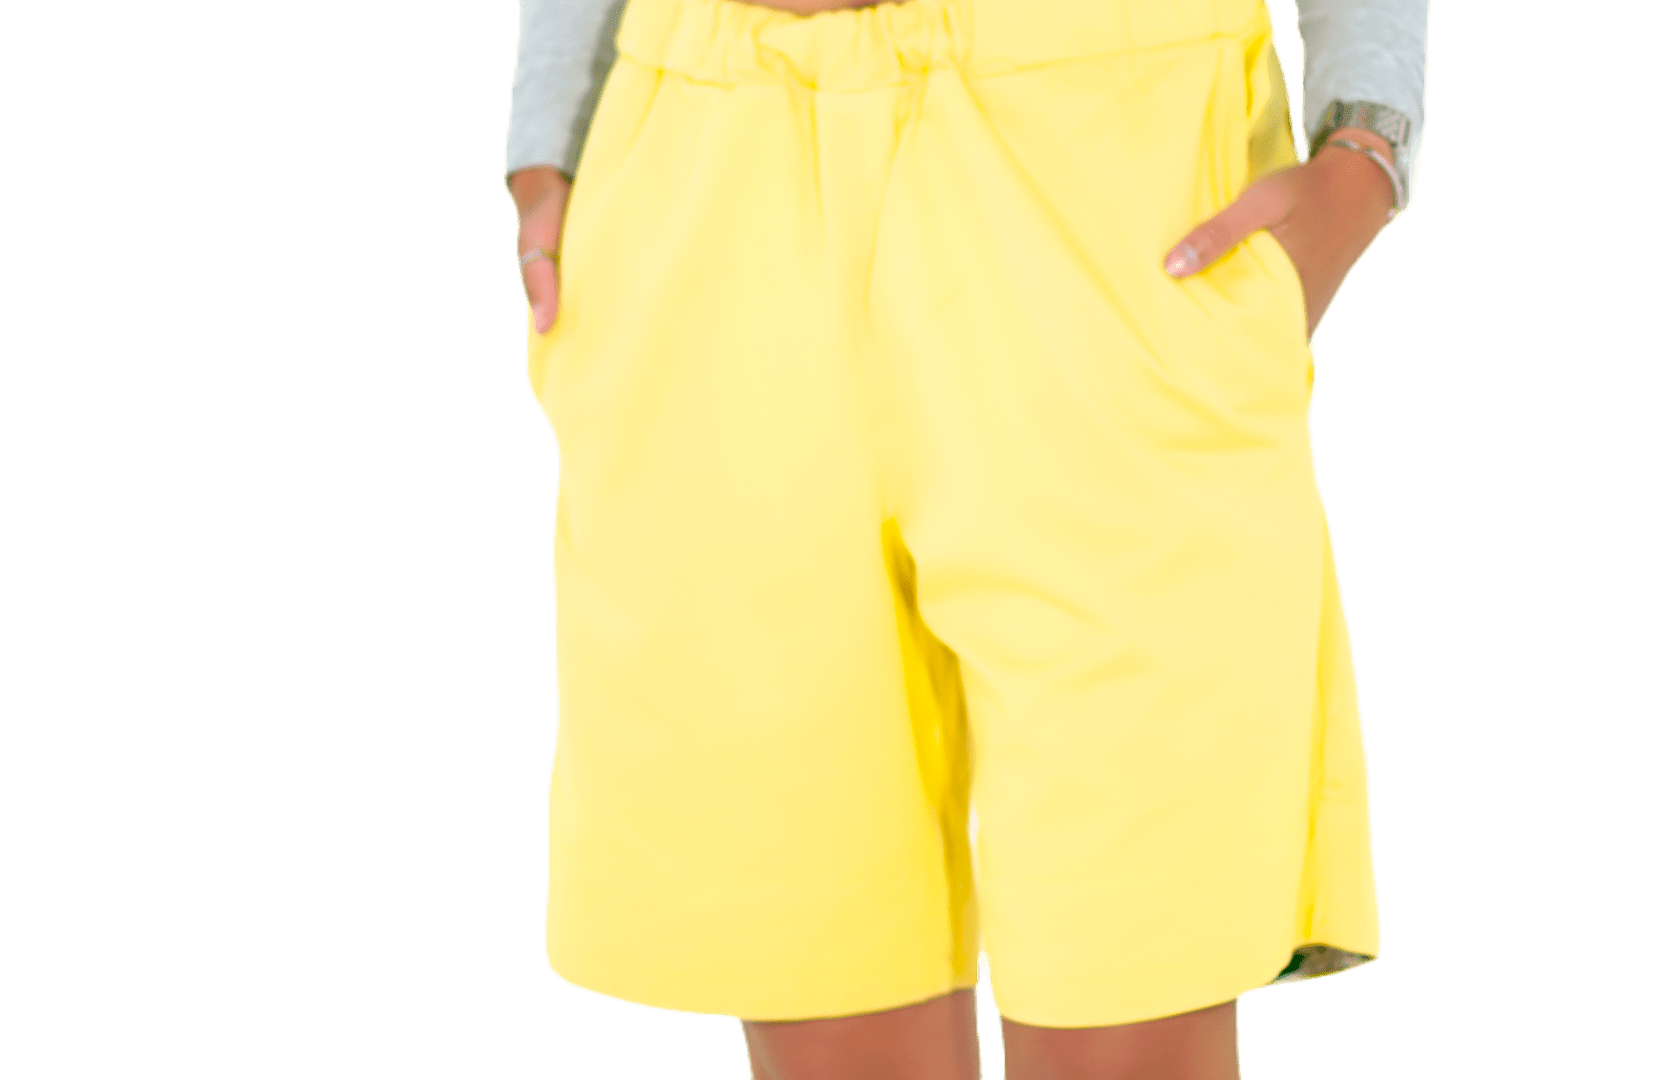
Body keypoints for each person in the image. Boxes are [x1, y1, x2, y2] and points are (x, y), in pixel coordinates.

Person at [502, 0, 1429, 1076]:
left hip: (1101, 165)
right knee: (820, 974)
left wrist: (1368, 135)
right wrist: (550, 135)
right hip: (712, 155)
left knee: (1134, 970)